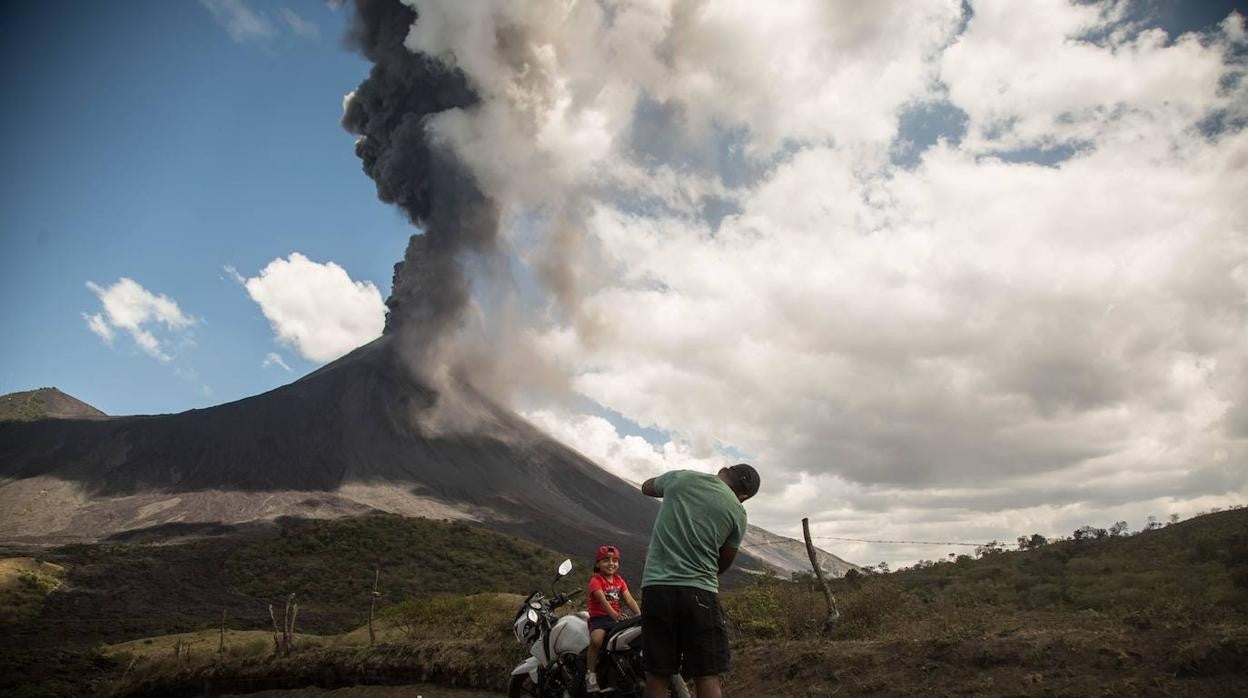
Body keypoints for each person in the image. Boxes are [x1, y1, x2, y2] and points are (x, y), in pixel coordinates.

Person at [639, 464, 760, 698]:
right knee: (707, 675)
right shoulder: (737, 511)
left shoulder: (681, 478)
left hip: (657, 590)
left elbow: (646, 487)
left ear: (723, 469)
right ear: (743, 497)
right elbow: (722, 564)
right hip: (700, 593)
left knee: (657, 675)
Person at [585, 544, 641, 693]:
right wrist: (615, 615)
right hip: (599, 619)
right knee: (596, 640)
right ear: (598, 563)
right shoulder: (596, 581)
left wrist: (639, 615)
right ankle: (590, 674)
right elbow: (603, 602)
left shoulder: (619, 580)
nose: (611, 563)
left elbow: (629, 600)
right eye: (606, 560)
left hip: (615, 617)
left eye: (615, 560)